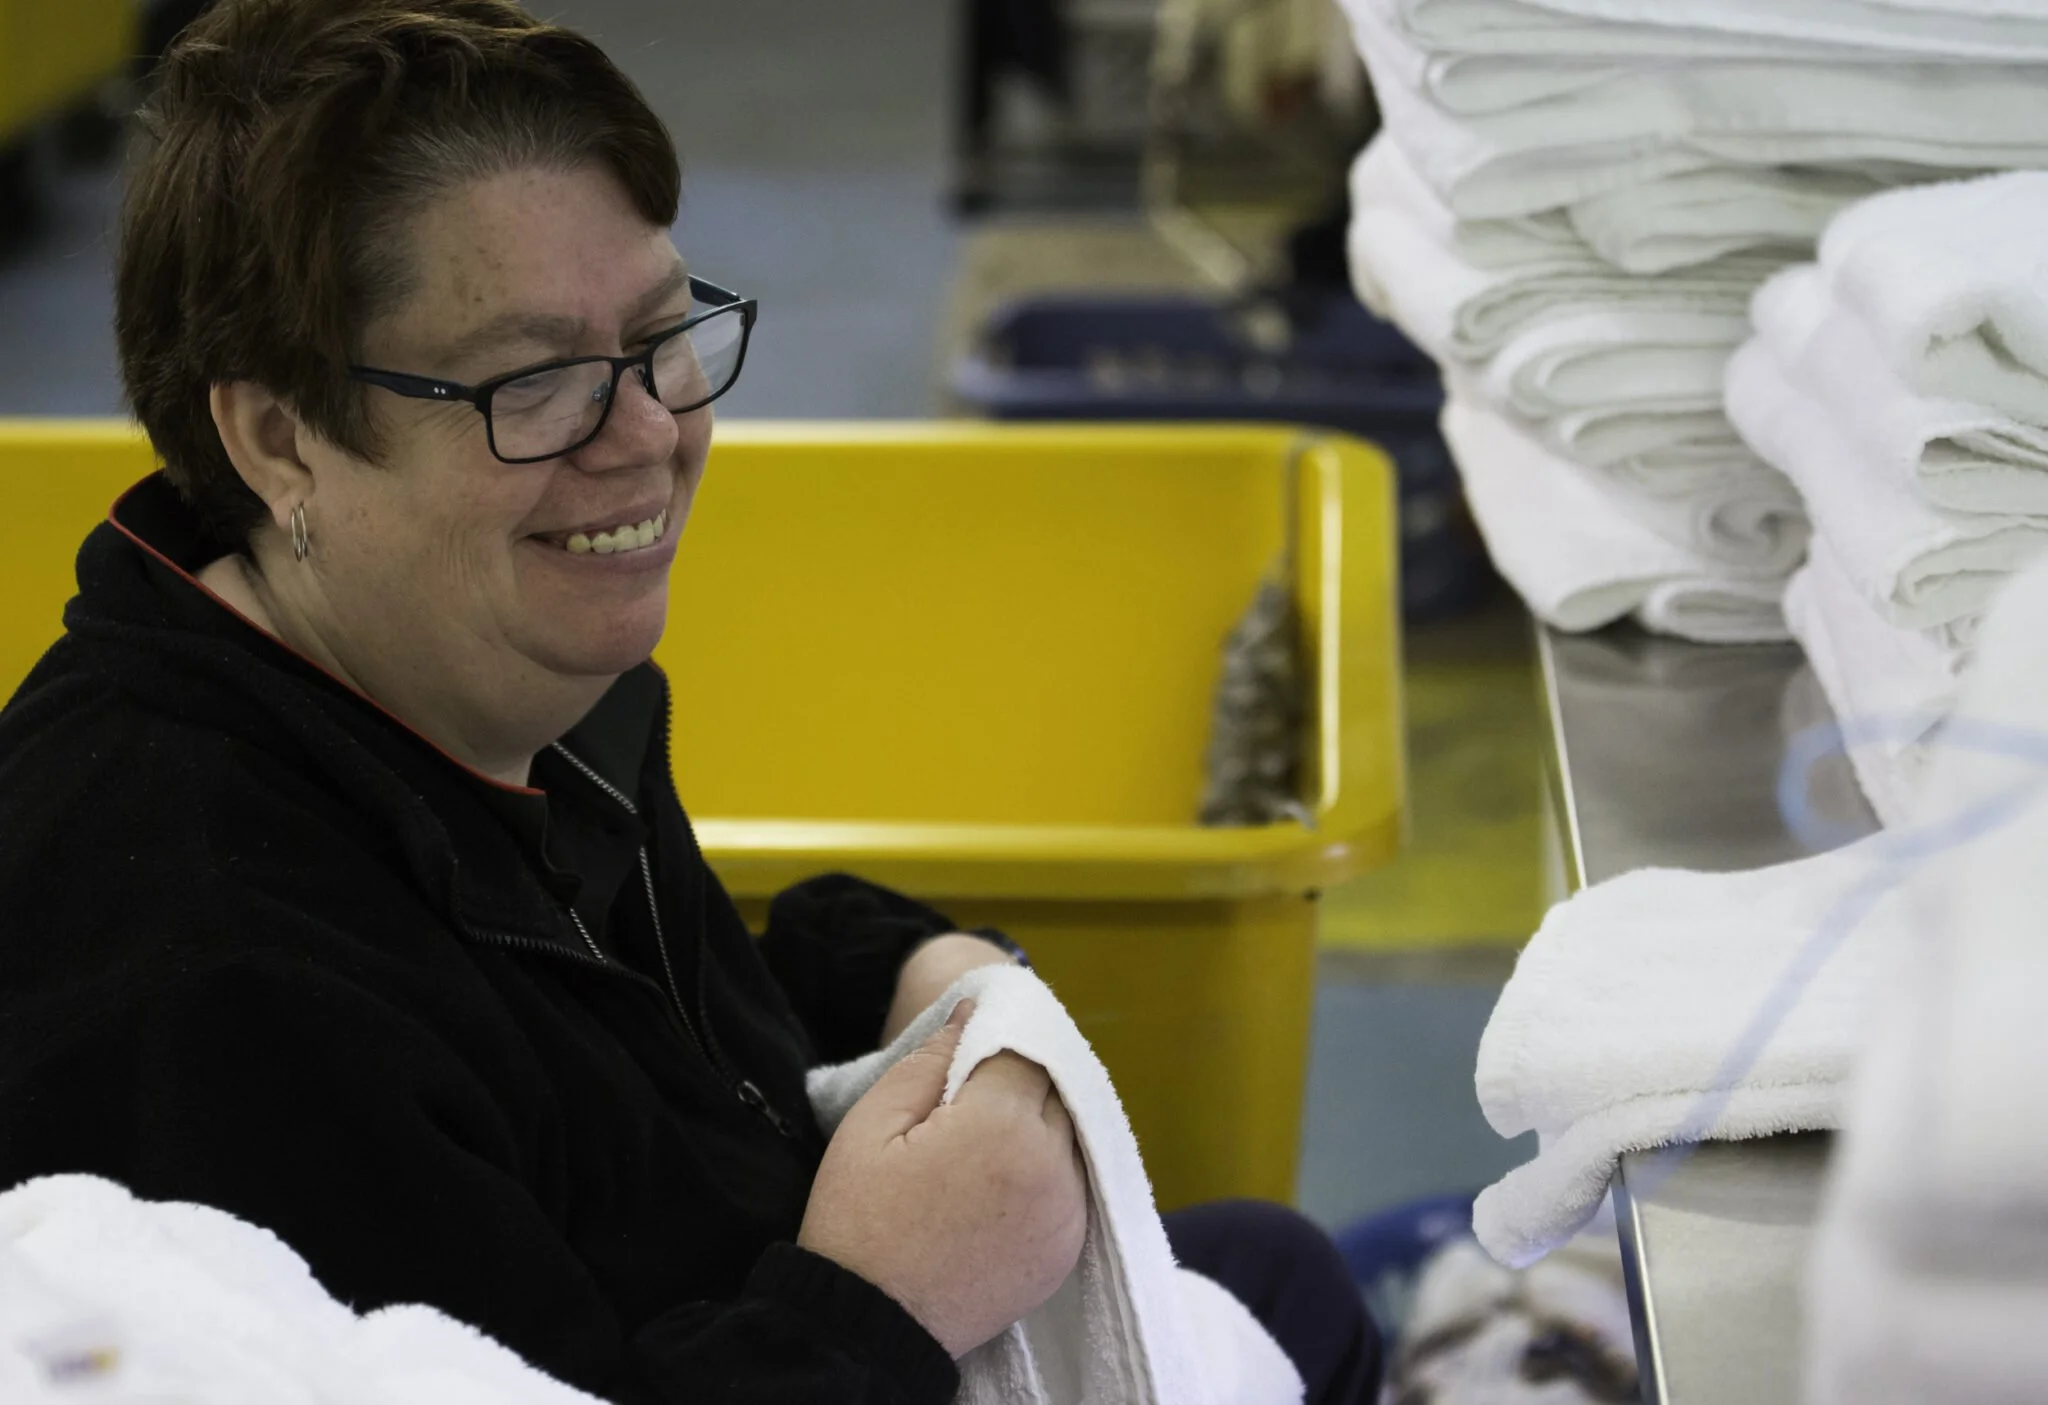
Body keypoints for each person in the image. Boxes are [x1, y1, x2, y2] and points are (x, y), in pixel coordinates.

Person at [0, 2, 1381, 1401]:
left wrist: (894, 962)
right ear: (278, 435)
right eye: (537, 382)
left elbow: (616, 1036)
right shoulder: (209, 1001)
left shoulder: (464, 679)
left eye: (664, 337)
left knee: (1278, 1266)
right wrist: (880, 1302)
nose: (651, 432)